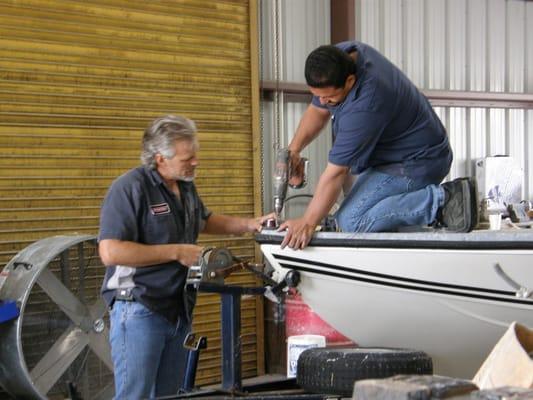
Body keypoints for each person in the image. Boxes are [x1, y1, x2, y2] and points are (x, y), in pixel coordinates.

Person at [98, 115, 272, 399]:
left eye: (195, 155)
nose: (195, 162)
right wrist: (177, 252)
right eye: (187, 158)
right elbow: (110, 252)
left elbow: (205, 220)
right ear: (160, 159)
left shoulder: (185, 186)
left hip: (178, 310)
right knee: (135, 395)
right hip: (139, 308)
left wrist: (250, 224)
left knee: (170, 395)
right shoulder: (130, 189)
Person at [280, 41, 478, 249]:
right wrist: (293, 150)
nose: (323, 101)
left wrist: (308, 222)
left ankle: (444, 201)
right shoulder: (342, 57)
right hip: (394, 157)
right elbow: (317, 110)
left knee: (352, 223)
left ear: (349, 81)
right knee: (349, 217)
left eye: (329, 97)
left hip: (419, 161)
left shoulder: (366, 105)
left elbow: (335, 173)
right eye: (318, 95)